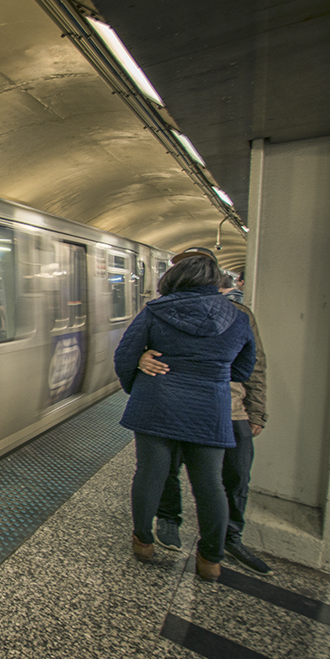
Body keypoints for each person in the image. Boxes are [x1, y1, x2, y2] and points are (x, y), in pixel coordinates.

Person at [114, 247, 256, 582]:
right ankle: (210, 558)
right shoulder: (237, 317)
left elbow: (124, 355)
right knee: (210, 484)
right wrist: (213, 371)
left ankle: (143, 542)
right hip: (210, 408)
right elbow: (244, 368)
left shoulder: (155, 311)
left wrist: (138, 379)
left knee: (150, 475)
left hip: (156, 403)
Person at [141, 273, 271, 574]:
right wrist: (140, 360)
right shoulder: (161, 311)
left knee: (234, 477)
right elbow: (135, 348)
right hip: (174, 406)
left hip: (230, 409)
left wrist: (256, 410)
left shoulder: (239, 315)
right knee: (167, 470)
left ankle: (228, 537)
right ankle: (169, 518)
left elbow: (254, 366)